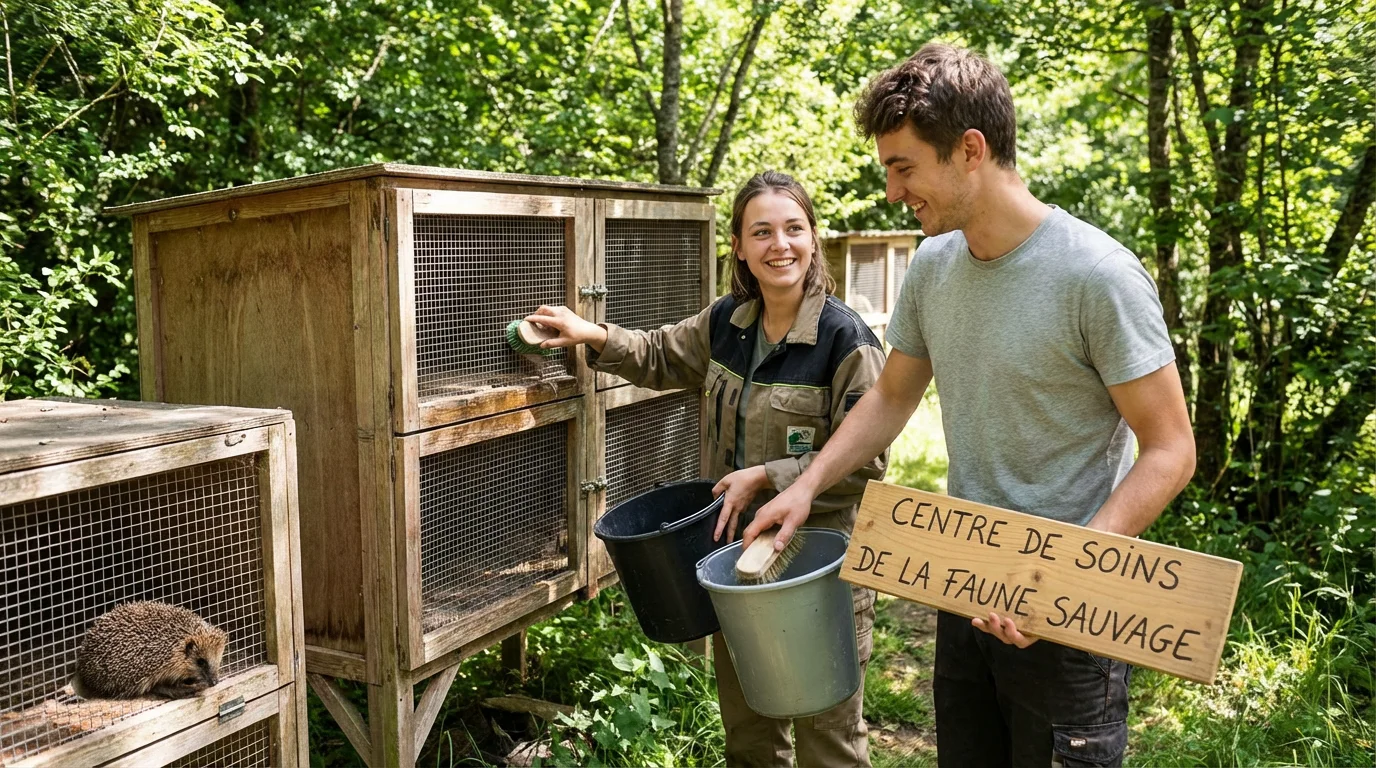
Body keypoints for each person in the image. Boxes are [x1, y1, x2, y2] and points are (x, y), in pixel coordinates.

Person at [745, 44, 1197, 768]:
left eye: (903, 168)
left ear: (971, 150)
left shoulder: (1098, 275)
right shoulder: (933, 264)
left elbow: (1172, 449)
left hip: (1069, 613)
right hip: (965, 586)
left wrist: (1064, 575)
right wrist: (804, 488)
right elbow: (892, 398)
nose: (893, 191)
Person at [526, 170, 887, 767]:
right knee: (749, 725)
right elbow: (659, 354)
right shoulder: (727, 323)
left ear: (814, 239)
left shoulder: (845, 340)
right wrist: (589, 331)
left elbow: (867, 460)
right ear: (741, 248)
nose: (781, 245)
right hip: (734, 556)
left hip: (821, 563)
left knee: (828, 733)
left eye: (794, 229)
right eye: (762, 231)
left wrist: (767, 476)